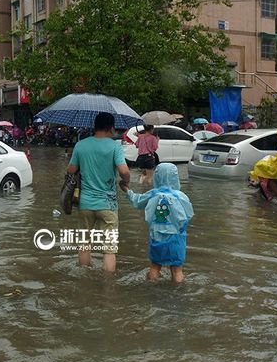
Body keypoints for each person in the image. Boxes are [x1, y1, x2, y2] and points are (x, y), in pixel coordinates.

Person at [67, 112, 131, 273]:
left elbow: (71, 170)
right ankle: (108, 288)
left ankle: (83, 279)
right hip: (107, 204)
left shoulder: (81, 145)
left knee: (84, 242)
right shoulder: (115, 146)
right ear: (110, 128)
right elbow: (124, 171)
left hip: (85, 203)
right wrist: (125, 182)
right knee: (109, 248)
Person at [121, 163, 194, 282]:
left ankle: (151, 288)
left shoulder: (153, 194)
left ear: (157, 177)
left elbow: (137, 201)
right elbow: (188, 215)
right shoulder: (181, 196)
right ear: (175, 178)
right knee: (177, 270)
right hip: (176, 238)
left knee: (155, 267)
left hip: (157, 237)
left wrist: (127, 190)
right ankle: (179, 292)